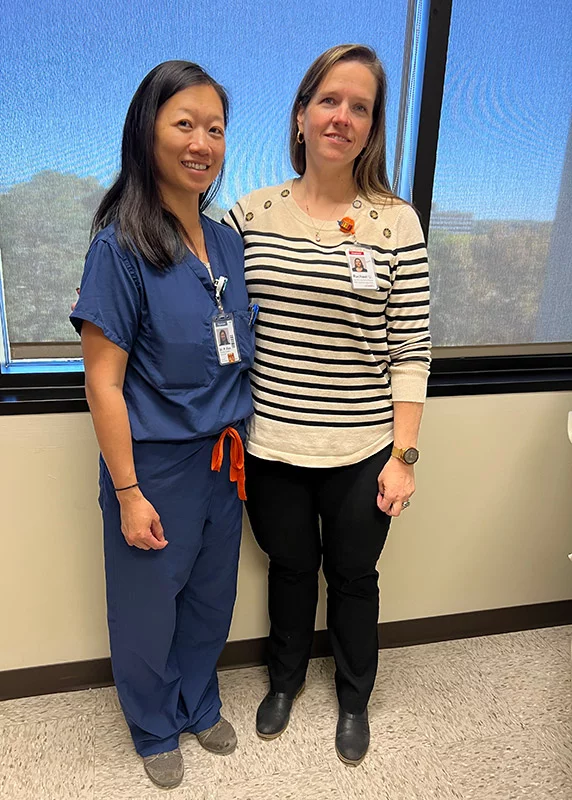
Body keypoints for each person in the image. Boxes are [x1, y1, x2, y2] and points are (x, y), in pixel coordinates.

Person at [224, 44, 430, 766]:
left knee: (352, 576)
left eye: (361, 107)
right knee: (287, 569)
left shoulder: (395, 223)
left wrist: (404, 457)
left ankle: (353, 696)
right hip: (271, 442)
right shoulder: (249, 214)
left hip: (363, 446)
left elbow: (410, 350)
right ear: (302, 114)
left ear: (373, 128)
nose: (343, 117)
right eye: (330, 101)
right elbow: (208, 308)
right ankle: (283, 681)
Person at [70, 60, 254, 790]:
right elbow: (103, 383)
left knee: (212, 598)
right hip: (154, 466)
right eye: (184, 123)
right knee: (147, 608)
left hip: (225, 460)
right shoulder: (119, 247)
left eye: (215, 128)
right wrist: (128, 491)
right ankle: (153, 726)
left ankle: (198, 702)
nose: (202, 141)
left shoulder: (228, 243)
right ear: (146, 132)